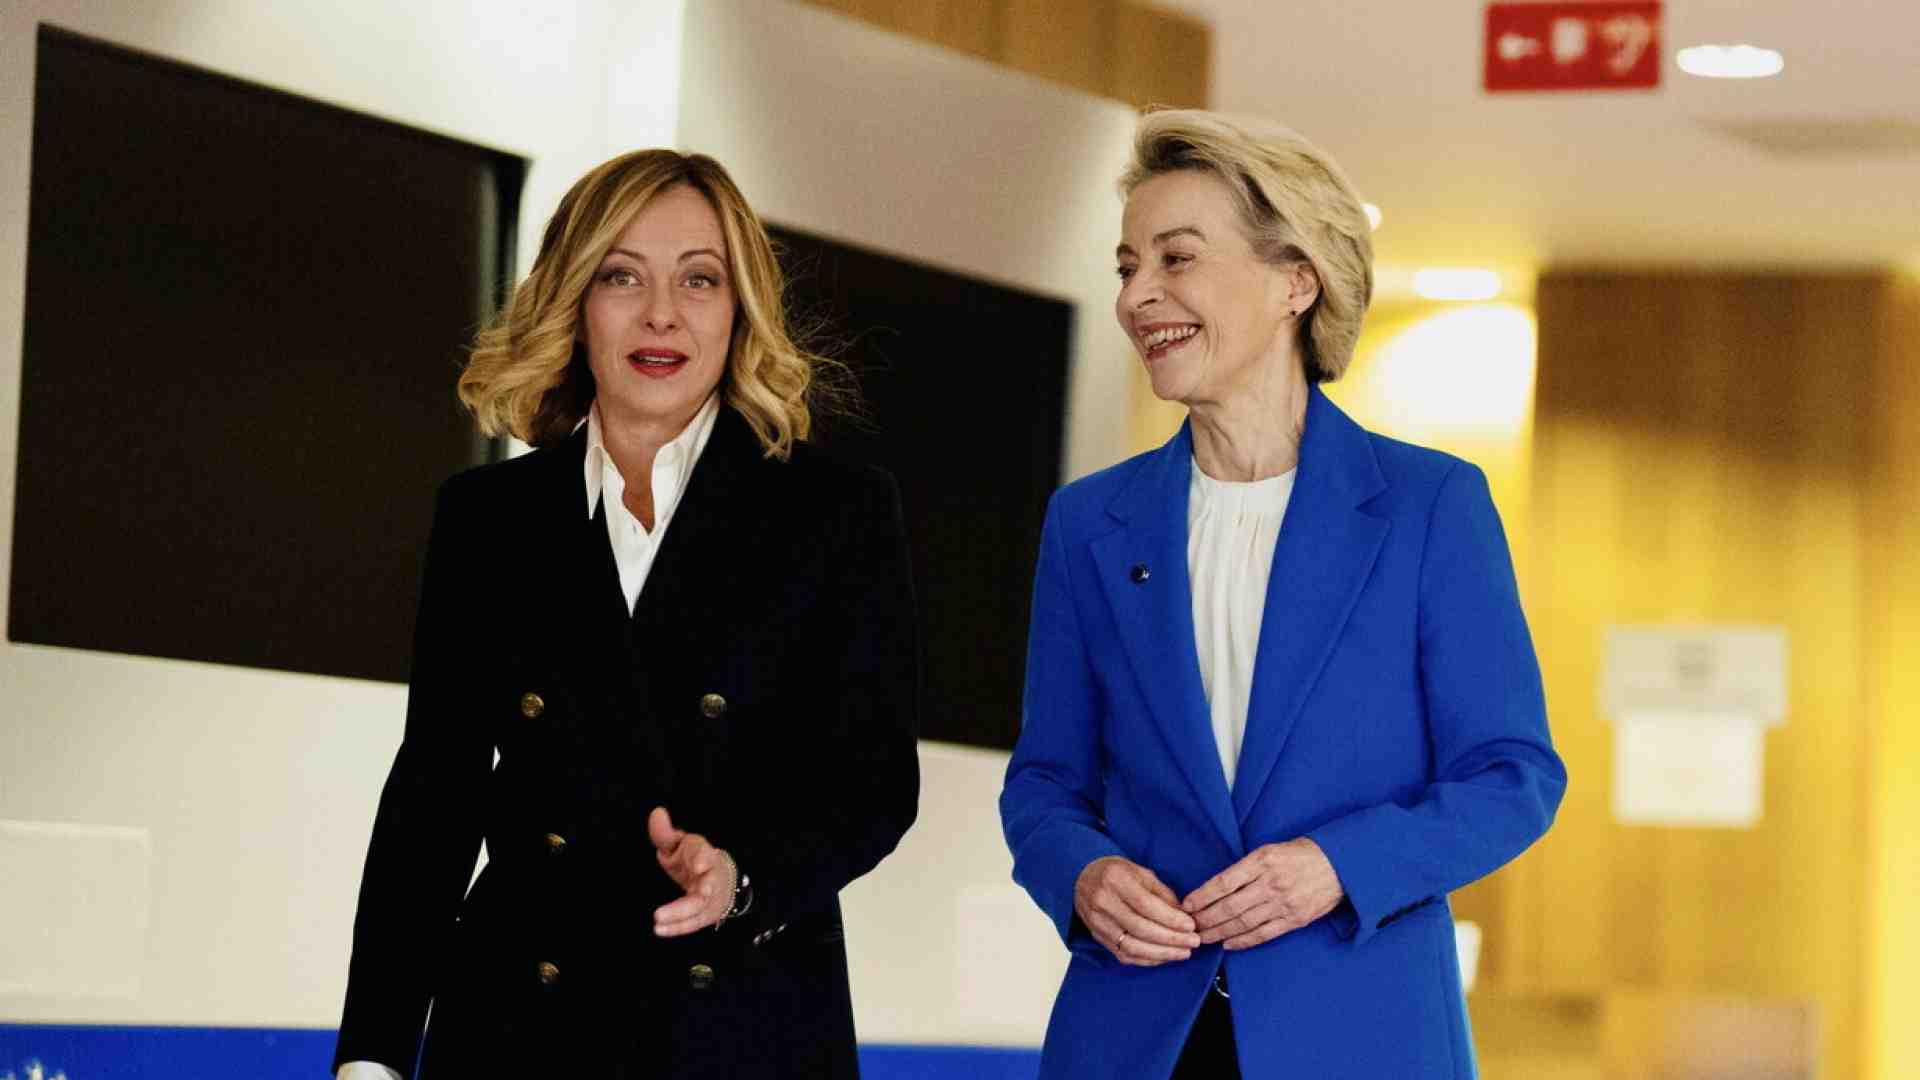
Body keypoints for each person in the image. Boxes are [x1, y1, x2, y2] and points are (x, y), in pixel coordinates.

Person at [999, 109, 1566, 1078]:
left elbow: (1513, 777)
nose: (1138, 296)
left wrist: (1339, 867)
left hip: (1361, 1034)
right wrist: (1082, 875)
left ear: (1296, 281)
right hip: (1135, 1032)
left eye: (1177, 259)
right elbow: (1047, 782)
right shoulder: (1089, 523)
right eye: (1128, 266)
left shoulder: (1431, 505)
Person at [332, 149, 920, 1079]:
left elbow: (874, 783)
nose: (662, 314)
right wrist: (372, 1055)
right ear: (574, 301)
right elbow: (433, 799)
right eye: (621, 276)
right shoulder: (488, 519)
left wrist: (744, 877)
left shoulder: (835, 513)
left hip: (739, 1028)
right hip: (518, 1030)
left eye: (699, 279)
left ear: (739, 309)